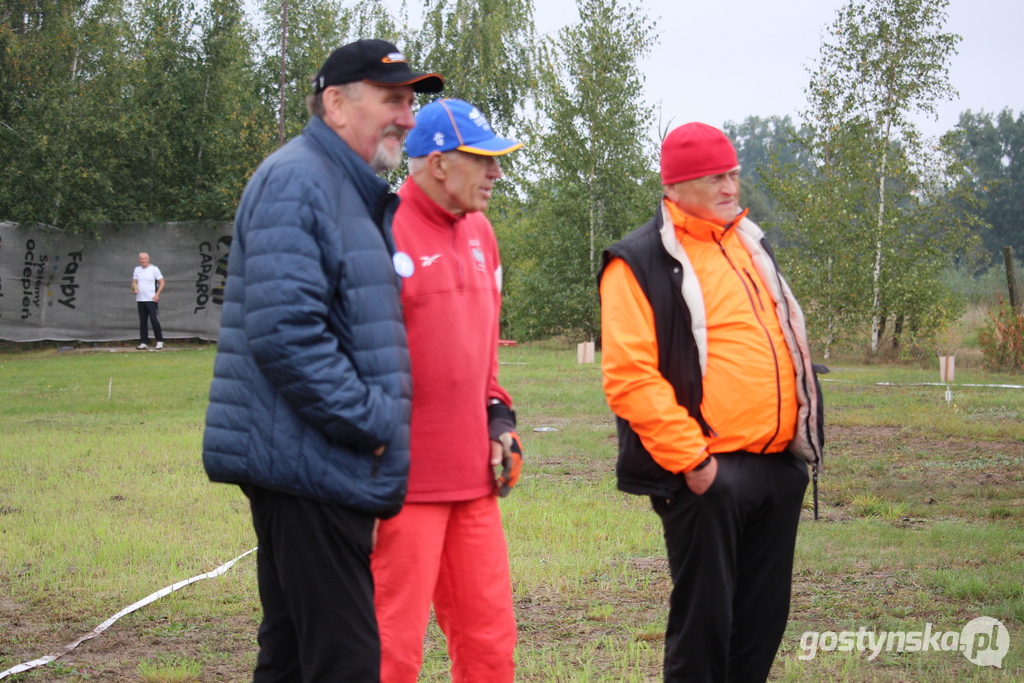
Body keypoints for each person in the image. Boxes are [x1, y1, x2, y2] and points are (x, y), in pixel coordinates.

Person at [202, 39, 443, 682]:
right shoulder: (299, 180)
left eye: (411, 103)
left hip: (311, 459)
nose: (408, 118)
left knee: (292, 655)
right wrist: (371, 425)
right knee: (345, 661)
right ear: (335, 103)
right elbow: (286, 333)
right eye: (392, 100)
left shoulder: (344, 186)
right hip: (310, 463)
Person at [598, 122, 824, 683]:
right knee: (704, 632)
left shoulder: (747, 244)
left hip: (777, 468)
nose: (730, 187)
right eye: (715, 177)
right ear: (675, 185)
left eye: (734, 174)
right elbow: (629, 377)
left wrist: (797, 457)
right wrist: (696, 466)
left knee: (761, 625)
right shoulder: (638, 259)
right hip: (706, 475)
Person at [371, 98, 524, 683]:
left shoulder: (484, 232)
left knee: (490, 644)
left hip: (473, 486)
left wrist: (498, 422)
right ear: (437, 163)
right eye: (483, 160)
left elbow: (484, 364)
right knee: (390, 652)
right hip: (399, 488)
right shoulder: (379, 230)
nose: (497, 173)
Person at [132, 252, 165, 350]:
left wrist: (157, 294)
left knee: (154, 320)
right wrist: (135, 288)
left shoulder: (154, 269)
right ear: (139, 260)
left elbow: (162, 282)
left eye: (145, 258)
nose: (143, 260)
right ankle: (143, 342)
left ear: (148, 259)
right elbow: (134, 282)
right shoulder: (137, 270)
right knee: (143, 321)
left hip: (151, 300)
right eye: (141, 259)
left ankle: (159, 341)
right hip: (140, 300)